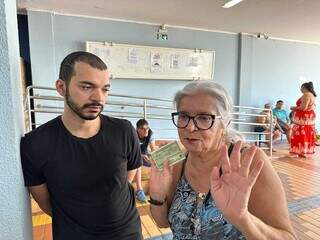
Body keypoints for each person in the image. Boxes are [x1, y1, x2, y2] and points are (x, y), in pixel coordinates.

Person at [149, 81, 296, 239]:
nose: (190, 128)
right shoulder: (172, 159)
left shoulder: (248, 161)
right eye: (184, 116)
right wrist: (157, 196)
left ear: (225, 123)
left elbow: (287, 236)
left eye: (204, 118)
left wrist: (243, 218)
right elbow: (162, 222)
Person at [20, 51, 143, 239]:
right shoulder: (35, 144)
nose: (99, 98)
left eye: (105, 89)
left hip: (127, 234)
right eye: (87, 87)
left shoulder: (124, 130)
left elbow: (125, 180)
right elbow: (46, 204)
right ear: (61, 87)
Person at [128, 119, 156, 202]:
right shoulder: (132, 135)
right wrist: (140, 155)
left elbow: (153, 148)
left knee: (158, 163)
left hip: (144, 156)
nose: (146, 131)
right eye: (143, 129)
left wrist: (153, 156)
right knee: (138, 160)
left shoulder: (150, 134)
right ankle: (139, 190)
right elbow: (129, 151)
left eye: (147, 128)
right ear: (137, 129)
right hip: (133, 157)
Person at [290, 82, 317, 158]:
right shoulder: (312, 95)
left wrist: (293, 108)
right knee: (306, 133)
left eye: (301, 87)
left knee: (301, 133)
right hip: (309, 116)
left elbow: (303, 107)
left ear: (304, 87)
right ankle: (304, 151)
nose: (300, 89)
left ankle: (301, 151)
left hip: (303, 117)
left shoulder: (306, 95)